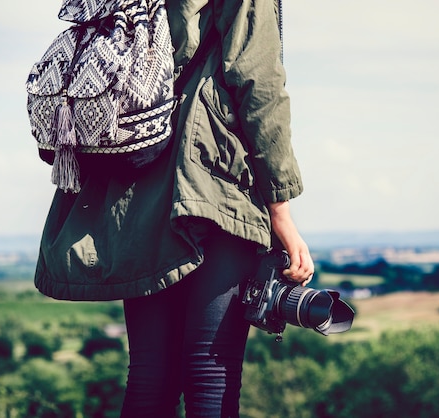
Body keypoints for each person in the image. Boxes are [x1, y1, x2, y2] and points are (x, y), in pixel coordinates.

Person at [34, 0, 313, 416]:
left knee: (150, 377)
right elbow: (258, 81)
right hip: (209, 180)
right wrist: (281, 212)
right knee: (210, 373)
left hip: (134, 180)